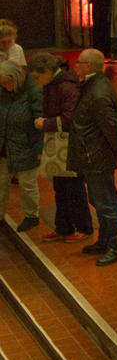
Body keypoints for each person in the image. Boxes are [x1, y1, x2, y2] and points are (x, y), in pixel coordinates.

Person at [70, 49, 117, 265]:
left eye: (79, 62)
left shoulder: (98, 93)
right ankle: (105, 240)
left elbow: (110, 127)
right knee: (98, 200)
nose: (76, 66)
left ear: (90, 66)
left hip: (97, 155)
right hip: (91, 153)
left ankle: (116, 245)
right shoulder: (92, 86)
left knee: (106, 203)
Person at [29, 53, 92, 243]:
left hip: (71, 145)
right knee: (61, 187)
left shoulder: (66, 87)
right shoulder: (54, 84)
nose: (37, 82)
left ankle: (84, 227)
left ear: (47, 72)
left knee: (74, 187)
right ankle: (63, 227)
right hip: (59, 145)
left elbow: (70, 119)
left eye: (37, 77)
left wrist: (45, 123)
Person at [0, 59, 42, 232]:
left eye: (7, 83)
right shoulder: (3, 91)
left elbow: (40, 121)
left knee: (27, 184)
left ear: (15, 77)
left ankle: (32, 216)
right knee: (1, 182)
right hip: (5, 145)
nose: (5, 86)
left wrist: (39, 149)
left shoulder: (34, 92)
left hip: (27, 146)